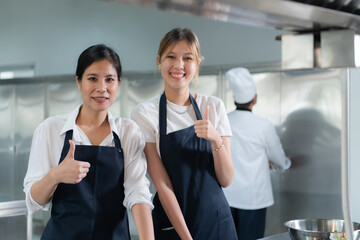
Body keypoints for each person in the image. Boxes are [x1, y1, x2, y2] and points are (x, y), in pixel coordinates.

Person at [23, 44, 154, 240]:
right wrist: (55, 175)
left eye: (109, 79)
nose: (102, 88)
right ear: (78, 82)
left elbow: (138, 193)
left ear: (118, 82)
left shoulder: (128, 132)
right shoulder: (50, 130)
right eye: (92, 78)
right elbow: (33, 200)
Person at [131, 28, 237, 240]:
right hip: (174, 225)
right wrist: (187, 238)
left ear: (197, 63)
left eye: (187, 58)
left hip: (216, 221)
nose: (179, 65)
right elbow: (162, 184)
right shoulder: (145, 114)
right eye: (171, 57)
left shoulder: (213, 106)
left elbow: (226, 179)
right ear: (159, 61)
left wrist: (216, 138)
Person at [223, 67, 291, 240]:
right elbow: (278, 158)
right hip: (253, 198)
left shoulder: (224, 121)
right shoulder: (263, 125)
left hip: (227, 196)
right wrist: (284, 165)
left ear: (234, 99)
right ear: (254, 99)